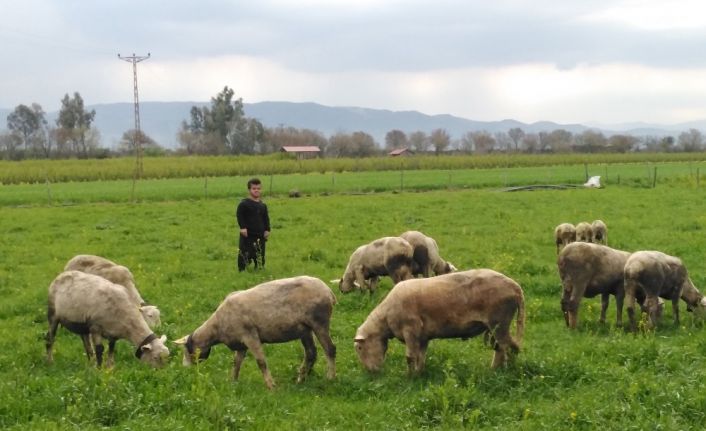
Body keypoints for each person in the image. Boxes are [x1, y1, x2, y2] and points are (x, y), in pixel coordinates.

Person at [236, 178, 270, 271]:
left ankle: (259, 268)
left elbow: (266, 218)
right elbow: (240, 215)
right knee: (245, 253)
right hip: (248, 234)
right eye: (254, 188)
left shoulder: (262, 205)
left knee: (260, 254)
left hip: (260, 234)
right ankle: (242, 270)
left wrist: (267, 229)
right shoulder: (244, 204)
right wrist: (242, 227)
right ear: (249, 190)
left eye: (258, 188)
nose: (256, 190)